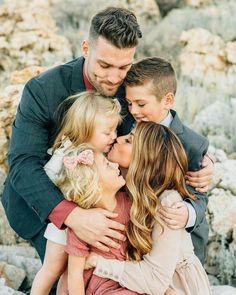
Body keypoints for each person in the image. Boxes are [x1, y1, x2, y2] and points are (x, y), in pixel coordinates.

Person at [1, 7, 212, 292]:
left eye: (123, 67)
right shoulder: (43, 90)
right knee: (67, 281)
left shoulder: (132, 92)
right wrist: (74, 216)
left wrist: (199, 160)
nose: (114, 78)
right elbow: (23, 165)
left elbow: (164, 129)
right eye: (104, 65)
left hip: (114, 208)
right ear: (85, 48)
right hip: (52, 207)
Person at [85, 122, 212, 295]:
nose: (118, 138)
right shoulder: (120, 190)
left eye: (129, 140)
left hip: (177, 289)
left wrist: (97, 262)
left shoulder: (168, 204)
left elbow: (155, 281)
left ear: (145, 158)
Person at [112, 57, 210, 263]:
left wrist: (188, 213)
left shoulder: (191, 144)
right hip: (139, 230)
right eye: (129, 103)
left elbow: (199, 195)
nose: (133, 110)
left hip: (179, 239)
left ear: (167, 100)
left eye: (140, 104)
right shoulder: (127, 123)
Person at [30, 91, 122, 295]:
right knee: (52, 268)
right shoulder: (69, 152)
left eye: (115, 130)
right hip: (64, 225)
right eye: (107, 132)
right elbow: (47, 177)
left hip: (89, 226)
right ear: (86, 129)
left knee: (72, 271)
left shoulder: (100, 154)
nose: (114, 137)